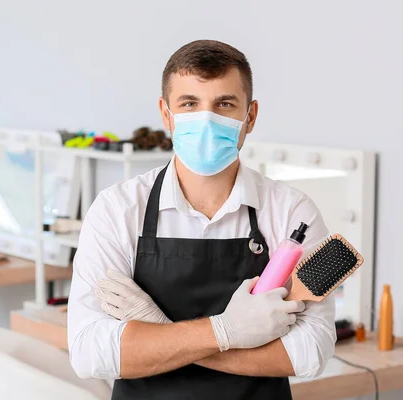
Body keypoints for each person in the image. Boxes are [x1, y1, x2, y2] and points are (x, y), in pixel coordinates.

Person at [67, 40, 336, 400]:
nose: (207, 120)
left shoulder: (292, 213)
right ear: (166, 115)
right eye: (190, 104)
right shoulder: (117, 209)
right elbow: (89, 352)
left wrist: (159, 331)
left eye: (224, 104)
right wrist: (224, 331)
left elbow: (310, 351)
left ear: (250, 116)